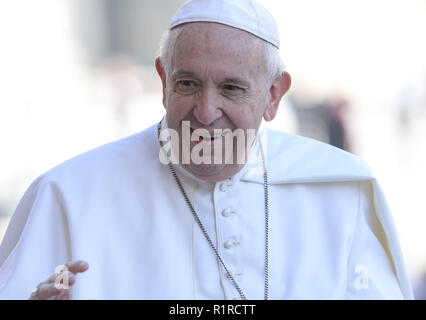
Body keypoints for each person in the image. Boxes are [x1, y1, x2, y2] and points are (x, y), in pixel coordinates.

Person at [0, 0, 413, 300]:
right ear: (162, 81)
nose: (206, 111)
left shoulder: (341, 191)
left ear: (274, 94)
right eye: (187, 84)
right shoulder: (68, 193)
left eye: (231, 88)